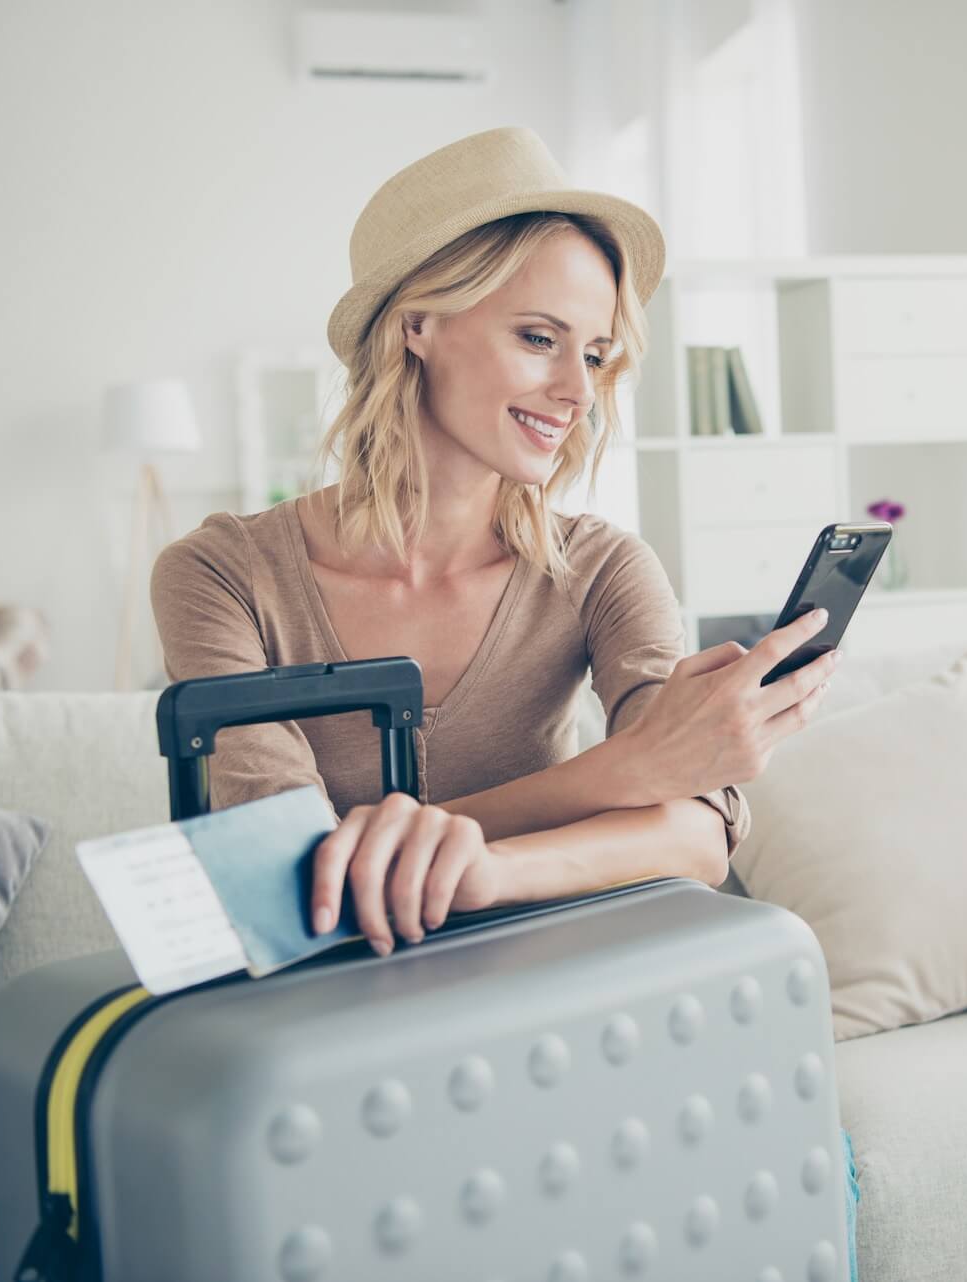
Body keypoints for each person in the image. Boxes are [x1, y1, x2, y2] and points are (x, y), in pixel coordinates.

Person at [150, 125, 859, 1275]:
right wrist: (614, 777)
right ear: (419, 324)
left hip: (574, 1034)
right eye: (540, 339)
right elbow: (285, 878)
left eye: (596, 355)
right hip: (336, 1067)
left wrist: (482, 868)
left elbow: (699, 832)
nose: (575, 390)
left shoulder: (601, 568)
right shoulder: (222, 573)